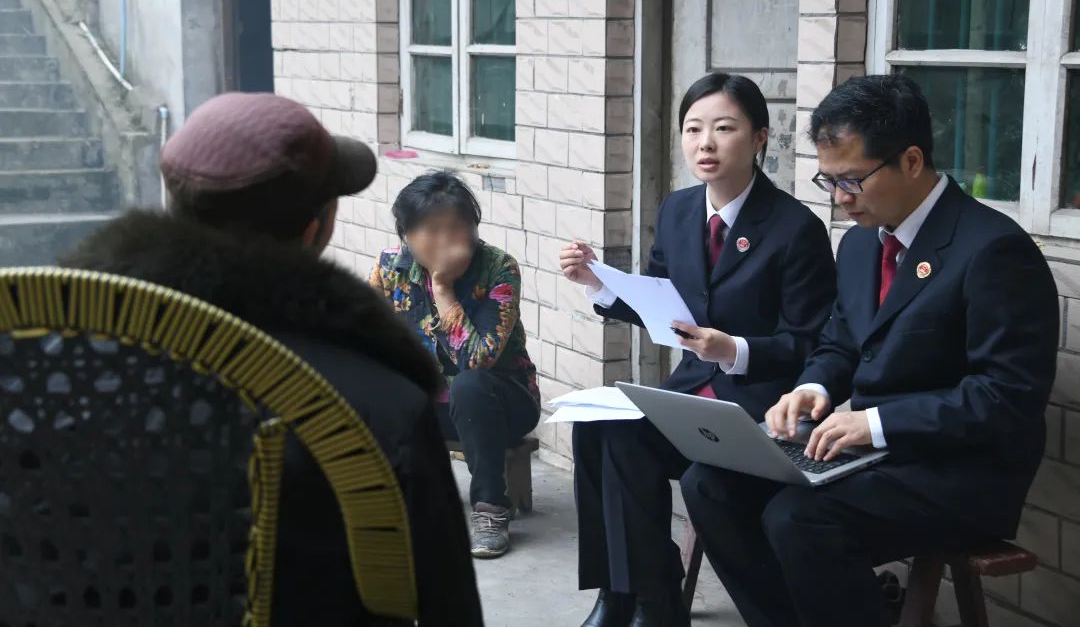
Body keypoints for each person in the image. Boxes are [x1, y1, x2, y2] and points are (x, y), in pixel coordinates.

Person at [60, 93, 483, 626]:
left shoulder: (56, 366)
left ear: (176, 210)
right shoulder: (382, 402)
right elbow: (448, 604)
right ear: (314, 228)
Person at [680, 74, 1059, 627]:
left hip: (959, 470)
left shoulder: (994, 251)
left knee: (799, 518)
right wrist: (812, 388)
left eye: (852, 180)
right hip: (870, 454)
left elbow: (1005, 399)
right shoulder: (862, 243)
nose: (839, 199)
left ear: (911, 161)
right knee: (710, 484)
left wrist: (873, 423)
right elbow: (841, 341)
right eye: (829, 181)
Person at [558, 73, 837, 627]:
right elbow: (662, 302)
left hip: (758, 409)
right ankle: (627, 595)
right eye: (693, 129)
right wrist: (599, 284)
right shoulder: (679, 210)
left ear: (759, 138)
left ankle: (651, 601)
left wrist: (734, 349)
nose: (705, 143)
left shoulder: (796, 228)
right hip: (692, 396)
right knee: (598, 429)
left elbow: (809, 343)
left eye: (724, 128)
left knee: (631, 446)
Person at [370, 170, 539, 559]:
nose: (446, 240)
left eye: (458, 227)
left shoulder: (498, 268)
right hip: (429, 407)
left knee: (470, 384)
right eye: (431, 229)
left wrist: (443, 288)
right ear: (406, 235)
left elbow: (478, 360)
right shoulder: (390, 268)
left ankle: (491, 510)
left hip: (501, 402)